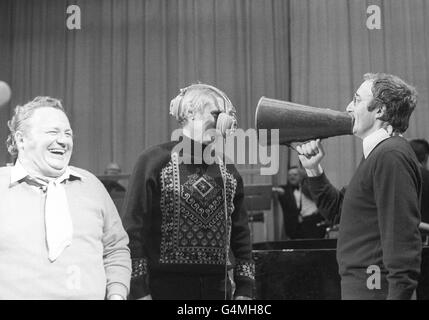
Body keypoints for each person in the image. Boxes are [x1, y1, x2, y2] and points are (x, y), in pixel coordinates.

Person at [122, 83, 254, 300]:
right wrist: (138, 290)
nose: (224, 121)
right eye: (216, 113)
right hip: (163, 288)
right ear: (191, 113)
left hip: (218, 289)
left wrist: (245, 289)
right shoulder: (153, 161)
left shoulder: (228, 169)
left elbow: (241, 235)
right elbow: (132, 230)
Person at [296, 73, 422, 300]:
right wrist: (313, 169)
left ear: (380, 110)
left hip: (374, 286)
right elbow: (338, 213)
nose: (348, 107)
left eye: (356, 100)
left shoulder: (390, 155)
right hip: (365, 284)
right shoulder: (380, 153)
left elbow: (401, 236)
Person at [0, 96, 131, 299]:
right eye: (53, 132)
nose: (62, 140)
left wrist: (117, 294)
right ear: (21, 139)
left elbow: (115, 248)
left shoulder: (91, 186)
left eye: (67, 133)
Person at [273, 166, 327, 239]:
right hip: (295, 228)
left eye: (295, 175)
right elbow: (275, 191)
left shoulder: (309, 187)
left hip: (313, 225)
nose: (292, 177)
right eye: (290, 175)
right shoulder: (284, 190)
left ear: (301, 176)